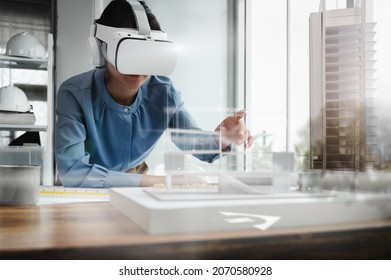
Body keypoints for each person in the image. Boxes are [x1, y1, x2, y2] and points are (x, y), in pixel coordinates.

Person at [55, 0, 253, 188]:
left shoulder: (163, 92)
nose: (139, 65)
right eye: (128, 51)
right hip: (86, 191)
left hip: (138, 188)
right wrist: (157, 181)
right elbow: (73, 173)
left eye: (147, 53)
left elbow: (192, 141)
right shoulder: (75, 94)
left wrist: (224, 138)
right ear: (100, 50)